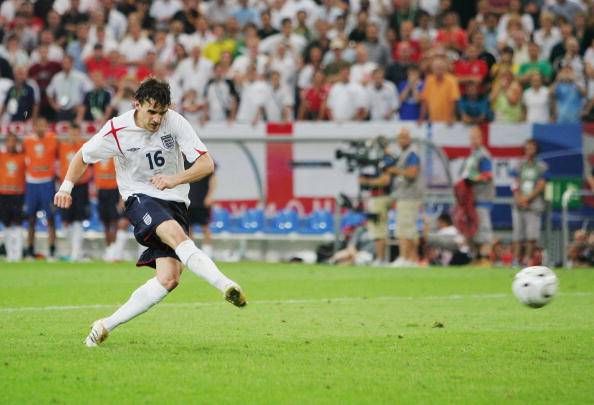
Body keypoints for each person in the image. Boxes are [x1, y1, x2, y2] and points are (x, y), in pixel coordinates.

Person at [54, 78, 246, 347]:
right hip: (139, 198)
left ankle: (104, 325)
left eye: (162, 112)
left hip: (175, 201)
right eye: (151, 111)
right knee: (176, 236)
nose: (157, 119)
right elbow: (82, 156)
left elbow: (206, 164)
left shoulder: (175, 122)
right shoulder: (117, 130)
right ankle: (226, 286)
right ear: (137, 104)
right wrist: (66, 187)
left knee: (169, 279)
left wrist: (174, 179)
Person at [357, 136, 396, 264]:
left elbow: (386, 180)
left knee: (378, 229)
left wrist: (368, 182)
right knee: (377, 229)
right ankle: (380, 258)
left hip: (382, 196)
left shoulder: (386, 159)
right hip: (378, 196)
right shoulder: (378, 160)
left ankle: (380, 259)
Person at [23, 117, 58, 259]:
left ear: (47, 127)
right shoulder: (27, 141)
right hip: (32, 182)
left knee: (50, 218)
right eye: (38, 125)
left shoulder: (53, 139)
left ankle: (52, 251)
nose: (41, 128)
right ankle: (30, 250)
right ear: (34, 127)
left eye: (43, 125)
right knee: (31, 218)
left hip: (47, 182)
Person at [510, 139, 548, 267]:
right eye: (527, 148)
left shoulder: (542, 166)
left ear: (536, 149)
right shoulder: (519, 165)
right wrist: (519, 198)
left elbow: (541, 185)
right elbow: (515, 182)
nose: (529, 150)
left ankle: (527, 260)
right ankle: (515, 260)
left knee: (531, 235)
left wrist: (527, 199)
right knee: (517, 234)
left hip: (534, 204)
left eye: (531, 147)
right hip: (519, 204)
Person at [460, 126, 495, 264]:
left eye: (476, 137)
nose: (473, 140)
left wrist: (471, 177)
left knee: (484, 232)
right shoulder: (472, 155)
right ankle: (475, 260)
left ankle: (485, 260)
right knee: (472, 232)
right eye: (471, 138)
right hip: (471, 200)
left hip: (482, 199)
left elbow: (488, 175)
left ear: (481, 138)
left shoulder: (483, 155)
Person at [389, 128, 423, 267]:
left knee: (405, 228)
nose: (401, 140)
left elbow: (412, 173)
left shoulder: (412, 153)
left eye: (404, 137)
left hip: (410, 196)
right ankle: (412, 259)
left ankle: (404, 257)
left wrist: (394, 170)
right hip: (405, 195)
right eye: (400, 137)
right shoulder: (404, 153)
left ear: (409, 139)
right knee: (408, 228)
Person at [58, 123, 91, 261]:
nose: (74, 135)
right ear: (68, 132)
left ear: (79, 132)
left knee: (79, 219)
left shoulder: (85, 146)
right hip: (66, 188)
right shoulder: (61, 146)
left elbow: (92, 166)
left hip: (81, 186)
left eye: (76, 132)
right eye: (72, 132)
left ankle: (77, 252)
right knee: (66, 220)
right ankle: (71, 251)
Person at [94, 154, 129, 262]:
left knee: (115, 222)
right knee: (105, 223)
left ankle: (115, 250)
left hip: (114, 191)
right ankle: (109, 249)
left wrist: (121, 197)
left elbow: (123, 175)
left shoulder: (115, 153)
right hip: (101, 191)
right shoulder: (98, 152)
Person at [0, 132, 26, 261]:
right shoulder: (1, 156)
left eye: (13, 141)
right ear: (5, 143)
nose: (11, 143)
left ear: (17, 143)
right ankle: (10, 254)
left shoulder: (23, 157)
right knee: (7, 224)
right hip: (3, 194)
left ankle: (18, 253)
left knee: (18, 223)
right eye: (8, 141)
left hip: (18, 195)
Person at [185, 159, 217, 258]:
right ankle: (191, 255)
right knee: (188, 229)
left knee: (205, 227)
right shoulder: (181, 160)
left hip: (202, 201)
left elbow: (213, 179)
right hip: (186, 200)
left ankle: (207, 254)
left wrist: (210, 196)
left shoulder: (204, 158)